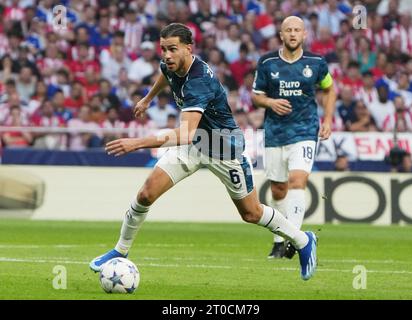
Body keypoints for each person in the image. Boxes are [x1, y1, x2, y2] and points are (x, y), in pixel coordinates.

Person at [89, 23, 317, 281]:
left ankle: (303, 239)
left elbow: (184, 133)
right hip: (194, 144)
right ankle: (120, 250)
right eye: (163, 49)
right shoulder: (171, 64)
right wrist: (148, 98)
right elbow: (165, 74)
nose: (166, 55)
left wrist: (136, 142)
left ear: (189, 48)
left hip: (223, 148)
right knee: (145, 194)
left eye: (172, 49)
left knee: (251, 213)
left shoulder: (199, 81)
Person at [251, 16, 336, 259]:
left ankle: (295, 240)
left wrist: (328, 120)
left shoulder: (316, 62)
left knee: (298, 181)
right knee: (278, 189)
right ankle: (279, 240)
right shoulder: (267, 62)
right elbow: (256, 96)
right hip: (275, 132)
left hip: (305, 130)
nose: (292, 34)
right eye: (288, 30)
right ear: (281, 34)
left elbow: (330, 89)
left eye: (297, 30)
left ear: (304, 34)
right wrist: (269, 101)